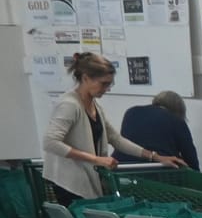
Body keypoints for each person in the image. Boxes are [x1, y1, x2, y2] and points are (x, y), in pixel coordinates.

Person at [41, 53, 185, 201]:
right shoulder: (69, 105)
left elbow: (115, 139)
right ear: (85, 78)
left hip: (87, 176)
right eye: (103, 83)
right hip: (68, 183)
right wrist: (96, 159)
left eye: (109, 84)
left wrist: (156, 157)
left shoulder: (94, 105)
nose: (107, 89)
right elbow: (50, 142)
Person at [117, 89, 200, 171]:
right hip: (158, 172)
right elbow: (191, 158)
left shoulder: (131, 112)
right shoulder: (176, 120)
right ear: (178, 110)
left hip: (121, 168)